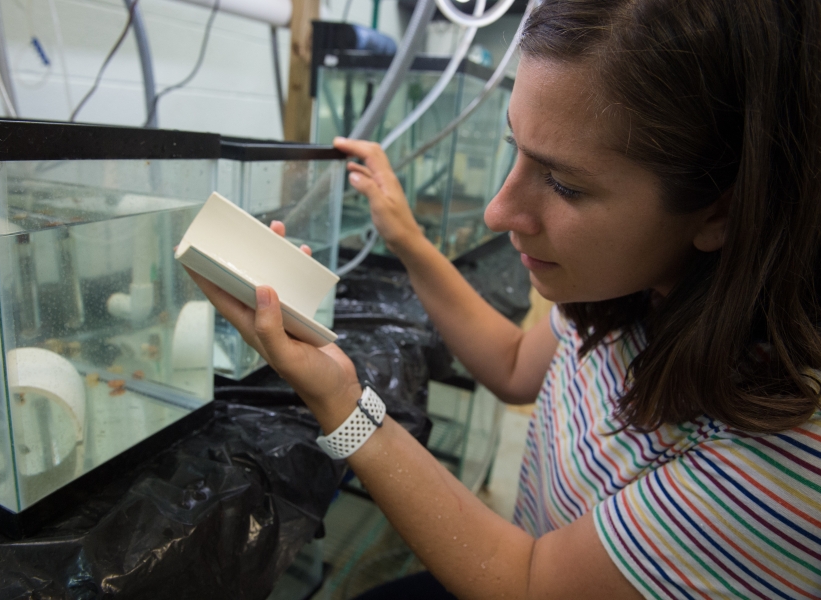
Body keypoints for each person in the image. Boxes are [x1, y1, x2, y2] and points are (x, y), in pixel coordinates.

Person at [186, 0, 821, 597]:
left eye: (564, 184)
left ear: (723, 209)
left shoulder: (784, 463)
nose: (497, 212)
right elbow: (517, 365)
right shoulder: (639, 292)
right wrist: (405, 235)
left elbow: (525, 581)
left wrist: (340, 399)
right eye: (516, 148)